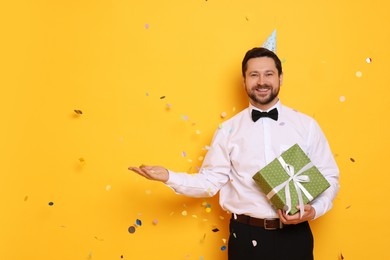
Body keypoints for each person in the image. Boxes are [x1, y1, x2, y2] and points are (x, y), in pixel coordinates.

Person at [129, 47, 340, 260]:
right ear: (244, 80)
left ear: (280, 78)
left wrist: (315, 210)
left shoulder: (307, 126)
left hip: (296, 237)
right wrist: (168, 176)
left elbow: (329, 177)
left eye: (269, 74)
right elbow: (210, 181)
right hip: (245, 237)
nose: (262, 82)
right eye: (254, 75)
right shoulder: (228, 130)